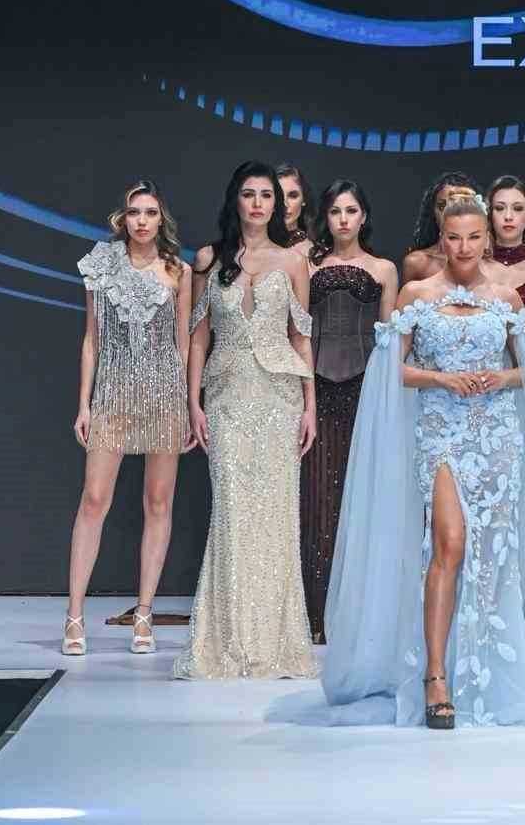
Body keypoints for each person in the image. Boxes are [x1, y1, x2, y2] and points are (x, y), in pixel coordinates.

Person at [309, 192, 525, 729]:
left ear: (487, 238)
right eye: (455, 237)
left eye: (475, 237)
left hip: (496, 435)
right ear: (442, 237)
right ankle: (435, 675)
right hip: (440, 433)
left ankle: (489, 675)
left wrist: (502, 376)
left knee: (494, 557)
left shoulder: (506, 298)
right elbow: (390, 369)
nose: (464, 247)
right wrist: (440, 378)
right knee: (449, 542)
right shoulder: (417, 292)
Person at [175, 161, 318, 680]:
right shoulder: (209, 259)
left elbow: (302, 337)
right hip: (227, 396)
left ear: (277, 204)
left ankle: (275, 644)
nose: (258, 203)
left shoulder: (295, 260)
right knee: (231, 513)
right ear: (235, 200)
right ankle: (227, 642)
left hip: (280, 397)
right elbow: (197, 337)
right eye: (249, 194)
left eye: (267, 195)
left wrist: (310, 405)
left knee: (277, 516)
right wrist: (193, 402)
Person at [64, 180, 192, 656]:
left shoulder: (178, 270)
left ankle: (144, 614)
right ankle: (74, 615)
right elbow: (91, 339)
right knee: (94, 499)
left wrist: (187, 404)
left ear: (162, 219)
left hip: (163, 393)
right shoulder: (101, 265)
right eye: (135, 212)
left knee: (158, 504)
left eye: (151, 212)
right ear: (123, 217)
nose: (142, 220)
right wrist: (84, 403)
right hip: (113, 392)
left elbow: (183, 343)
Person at [300, 179, 398, 644]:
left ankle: (355, 614)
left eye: (351, 210)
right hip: (315, 391)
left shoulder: (384, 269)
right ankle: (314, 612)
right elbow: (299, 333)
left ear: (364, 217)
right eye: (335, 211)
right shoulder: (306, 265)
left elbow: (389, 342)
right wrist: (304, 396)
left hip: (364, 390)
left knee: (360, 498)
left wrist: (387, 402)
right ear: (326, 217)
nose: (343, 219)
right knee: (316, 496)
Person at [403, 171, 481, 282]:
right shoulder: (417, 262)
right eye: (442, 206)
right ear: (433, 211)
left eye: (457, 205)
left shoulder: (488, 264)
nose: (448, 212)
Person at [485, 174, 525, 313]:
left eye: (517, 208)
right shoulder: (472, 268)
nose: (508, 217)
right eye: (499, 208)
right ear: (490, 215)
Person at [275, 162, 313, 256]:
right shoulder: (248, 246)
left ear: (304, 199)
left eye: (293, 196)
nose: (285, 204)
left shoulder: (312, 253)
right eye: (279, 196)